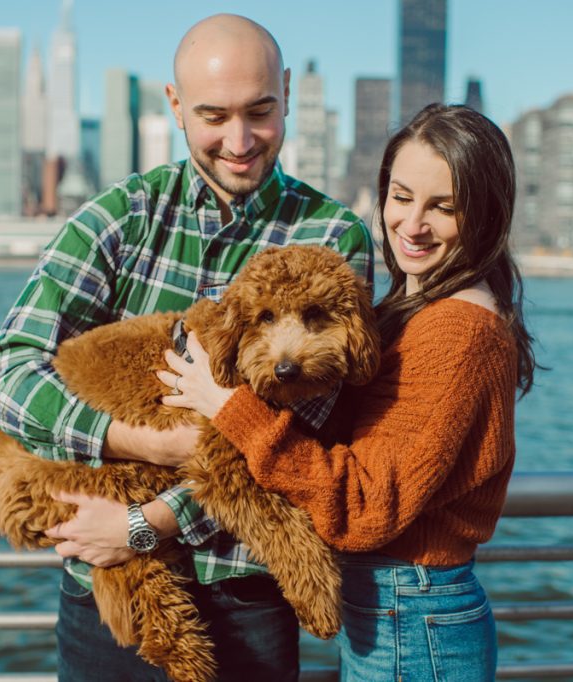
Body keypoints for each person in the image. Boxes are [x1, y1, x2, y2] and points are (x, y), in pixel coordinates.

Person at [0, 13, 373, 682]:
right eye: (213, 115)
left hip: (249, 588)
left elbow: (300, 424)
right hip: (105, 583)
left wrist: (148, 521)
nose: (239, 140)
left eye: (261, 111)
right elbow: (6, 376)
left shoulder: (333, 237)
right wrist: (140, 445)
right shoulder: (121, 216)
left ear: (287, 94)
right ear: (175, 106)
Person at [160, 103, 538, 681]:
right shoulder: (424, 311)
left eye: (444, 207)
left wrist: (227, 407)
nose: (412, 224)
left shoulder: (458, 330)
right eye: (402, 196)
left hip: (413, 614)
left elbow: (364, 508)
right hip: (402, 608)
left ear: (485, 215)